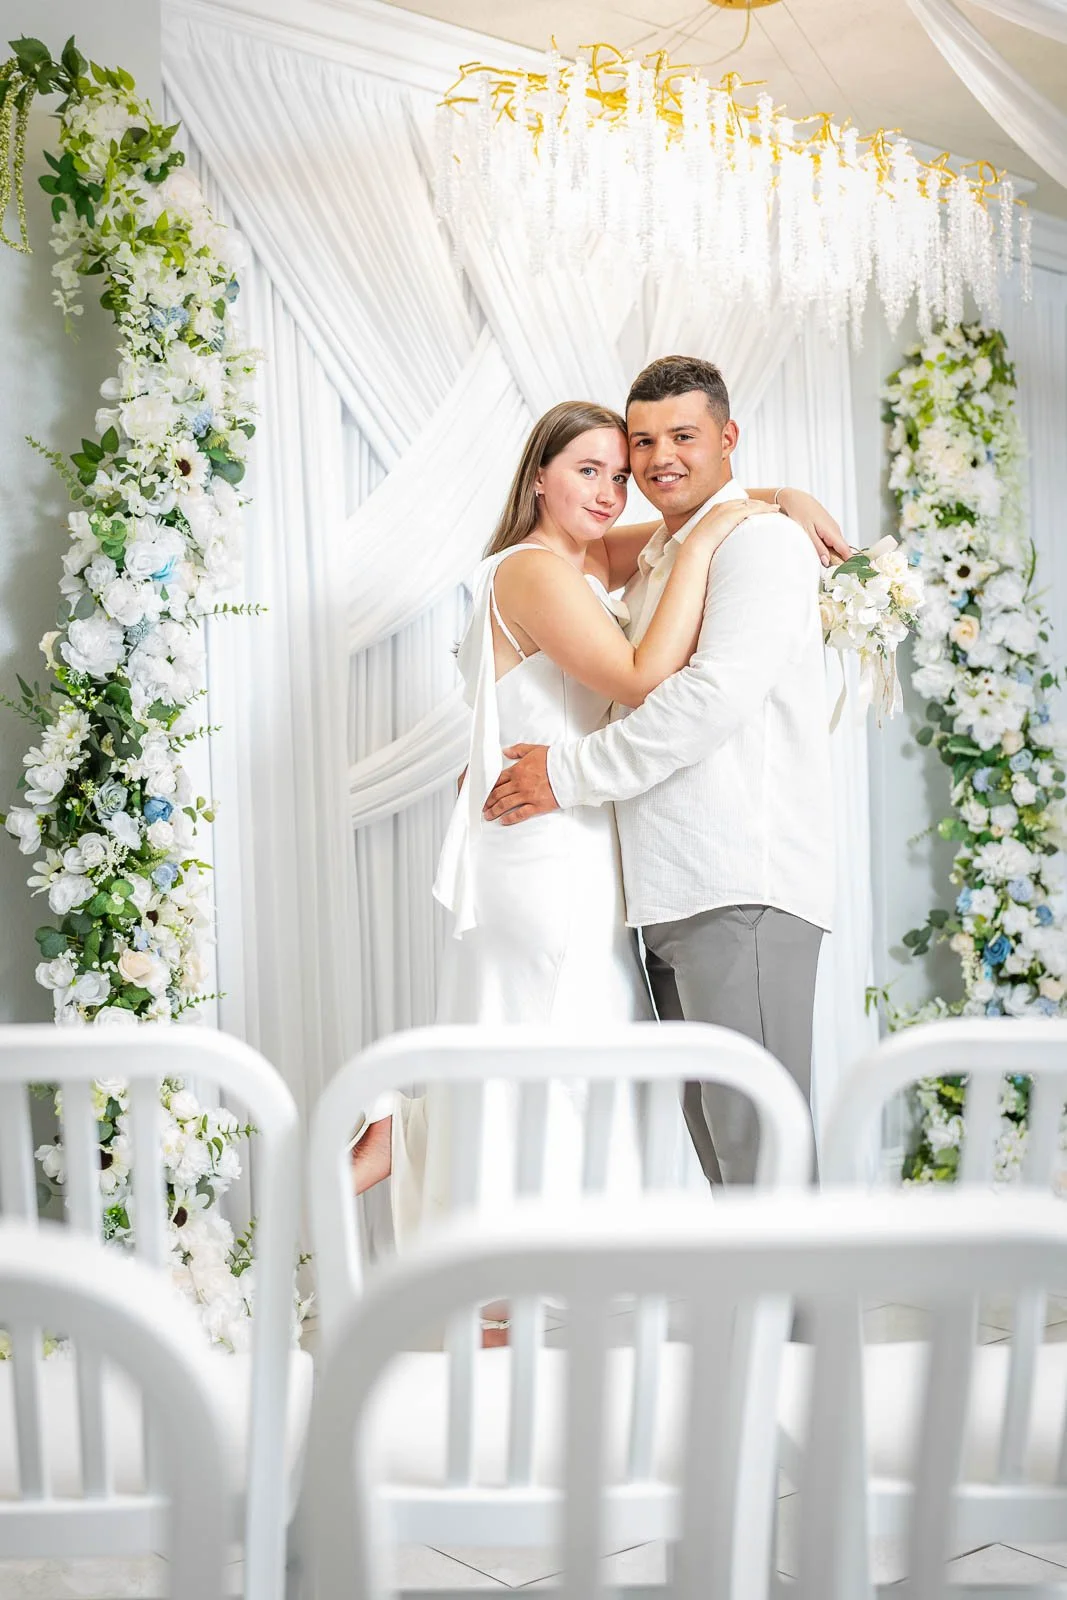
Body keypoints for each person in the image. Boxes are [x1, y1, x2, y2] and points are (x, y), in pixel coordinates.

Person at [353, 387, 844, 1254]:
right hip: (542, 843)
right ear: (538, 477)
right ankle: (479, 1247)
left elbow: (685, 520)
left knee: (555, 1048)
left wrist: (776, 501)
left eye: (621, 473)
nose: (614, 490)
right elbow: (640, 676)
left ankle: (431, 1152)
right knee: (553, 1050)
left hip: (582, 839)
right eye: (590, 470)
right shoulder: (534, 568)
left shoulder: (591, 558)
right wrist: (712, 539)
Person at [480, 357, 837, 1189]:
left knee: (761, 1146)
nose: (656, 458)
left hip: (738, 879)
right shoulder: (655, 558)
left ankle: (812, 1324)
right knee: (723, 1150)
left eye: (682, 435)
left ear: (726, 439)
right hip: (668, 885)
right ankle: (756, 1322)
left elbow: (703, 700)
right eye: (642, 441)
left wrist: (563, 775)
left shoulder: (757, 544)